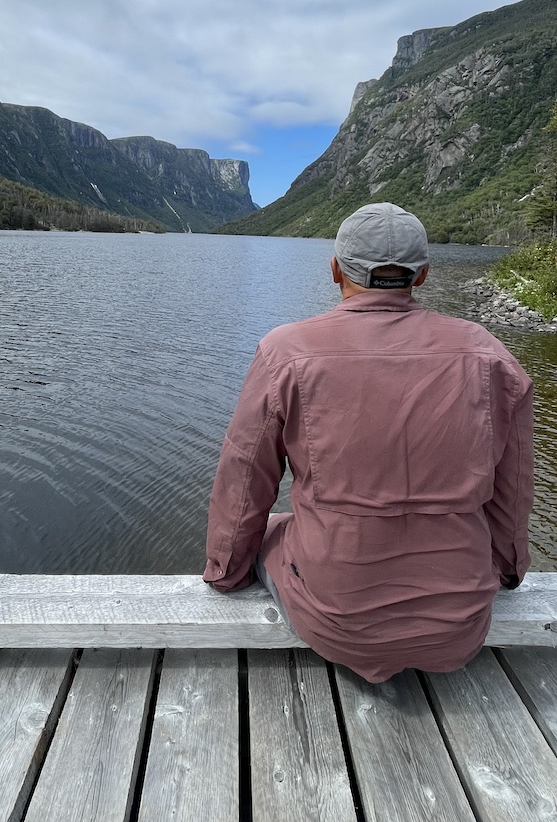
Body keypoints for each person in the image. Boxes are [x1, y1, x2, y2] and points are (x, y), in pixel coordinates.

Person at [203, 202, 534, 683]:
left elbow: (244, 479)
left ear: (335, 268)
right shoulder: (488, 354)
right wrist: (506, 571)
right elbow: (513, 488)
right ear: (421, 275)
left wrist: (225, 573)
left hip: (337, 622)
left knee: (276, 524)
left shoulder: (286, 351)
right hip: (459, 624)